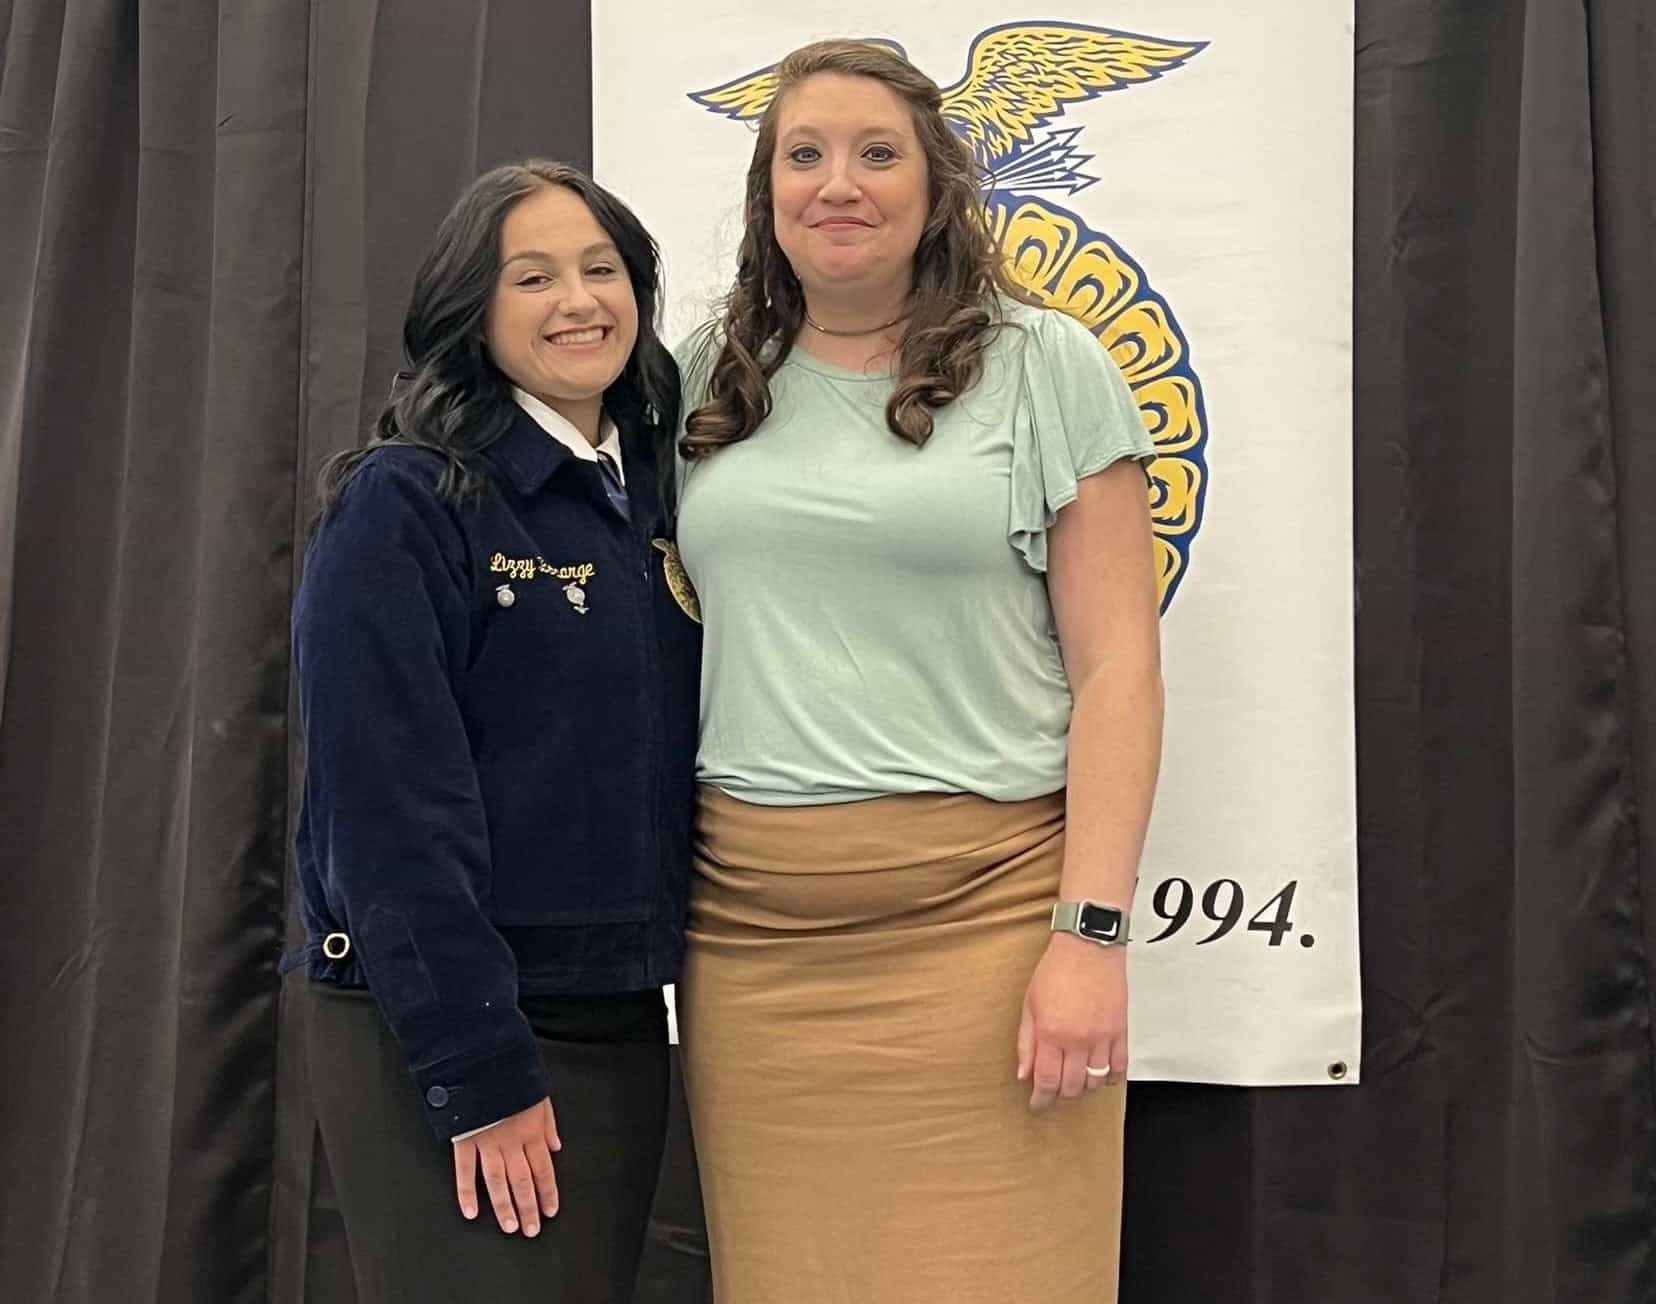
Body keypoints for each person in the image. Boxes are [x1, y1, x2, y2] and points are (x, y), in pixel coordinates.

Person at [673, 40, 1164, 1302]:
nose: (839, 183)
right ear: (765, 191)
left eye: (877, 152)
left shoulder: (1050, 367)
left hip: (989, 939)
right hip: (752, 951)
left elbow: (1119, 669)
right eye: (805, 154)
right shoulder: (698, 379)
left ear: (938, 185)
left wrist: (1089, 938)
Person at [284, 161, 700, 1303]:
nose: (579, 300)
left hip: (616, 1015)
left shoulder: (661, 498)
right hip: (448, 1026)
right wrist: (477, 1068)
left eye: (602, 269)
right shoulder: (409, 503)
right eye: (534, 277)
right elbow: (387, 812)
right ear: (473, 308)